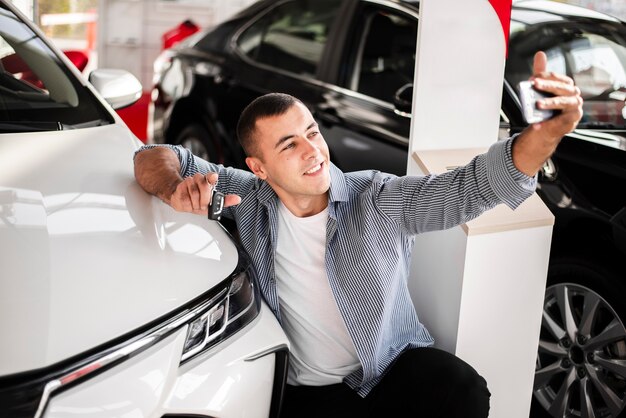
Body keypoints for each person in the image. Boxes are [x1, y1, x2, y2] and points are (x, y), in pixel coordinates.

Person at [134, 51, 582, 417]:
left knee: (462, 388)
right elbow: (154, 155)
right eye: (289, 145)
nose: (313, 152)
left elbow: (471, 188)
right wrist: (175, 188)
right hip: (301, 390)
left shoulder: (376, 197)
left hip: (386, 372)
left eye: (312, 133)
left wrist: (545, 134)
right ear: (259, 167)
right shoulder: (246, 195)